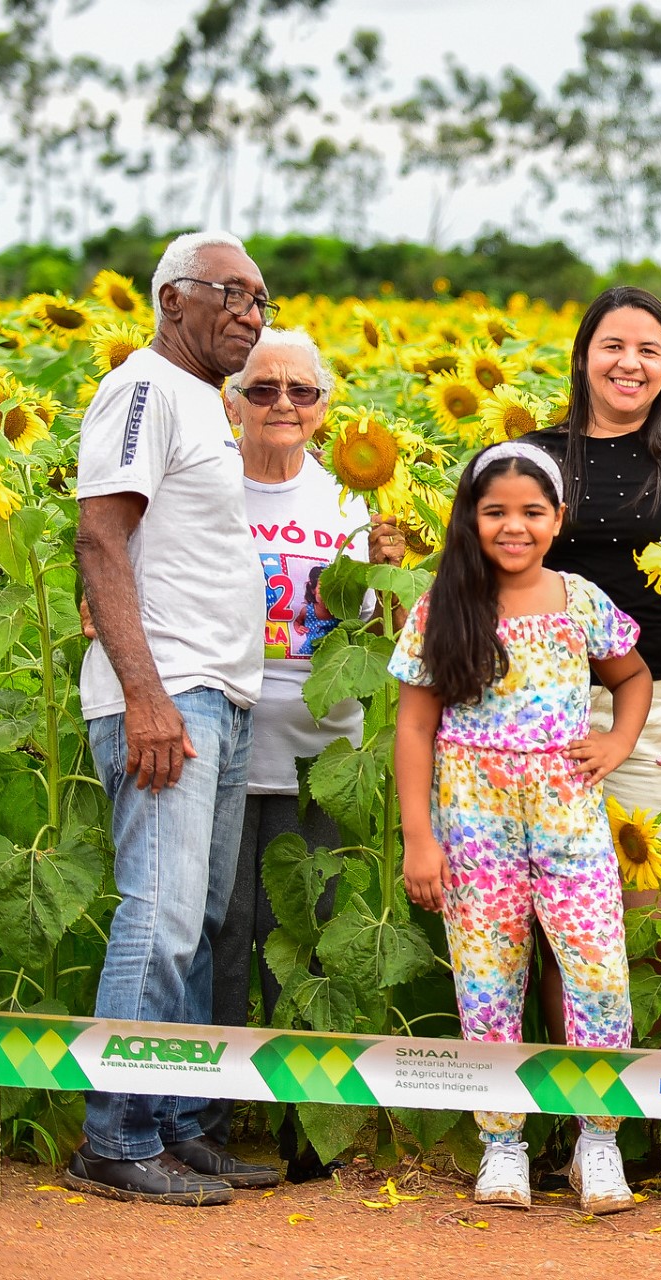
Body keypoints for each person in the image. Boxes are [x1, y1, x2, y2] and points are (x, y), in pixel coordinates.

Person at [67, 230, 281, 1205]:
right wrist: (148, 694)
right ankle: (116, 1135)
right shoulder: (145, 388)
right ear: (171, 301)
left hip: (217, 695)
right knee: (157, 918)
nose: (249, 312)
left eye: (262, 299)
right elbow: (99, 538)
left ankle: (178, 1121)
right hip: (171, 694)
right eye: (229, 293)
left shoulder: (206, 402)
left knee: (194, 919)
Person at [389, 440, 652, 1216]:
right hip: (472, 813)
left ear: (558, 518)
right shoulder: (446, 606)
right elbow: (413, 728)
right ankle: (501, 1143)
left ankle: (596, 1140)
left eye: (532, 512)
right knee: (487, 975)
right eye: (496, 510)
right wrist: (418, 836)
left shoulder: (579, 599)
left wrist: (618, 740)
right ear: (470, 518)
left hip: (567, 807)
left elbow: (631, 674)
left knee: (597, 968)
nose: (514, 526)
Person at [200, 326, 405, 1178]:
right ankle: (200, 1118)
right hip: (220, 740)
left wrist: (391, 579)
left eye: (302, 391)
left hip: (323, 750)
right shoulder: (206, 493)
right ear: (233, 399)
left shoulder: (350, 506)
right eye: (263, 388)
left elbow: (389, 642)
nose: (282, 404)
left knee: (308, 934)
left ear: (325, 409)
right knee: (222, 930)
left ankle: (303, 1124)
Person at [523, 287, 661, 972]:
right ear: (584, 356)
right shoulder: (535, 455)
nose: (631, 364)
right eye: (613, 346)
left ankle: (658, 1083)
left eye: (650, 350)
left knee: (657, 943)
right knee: (563, 946)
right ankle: (569, 1082)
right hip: (546, 714)